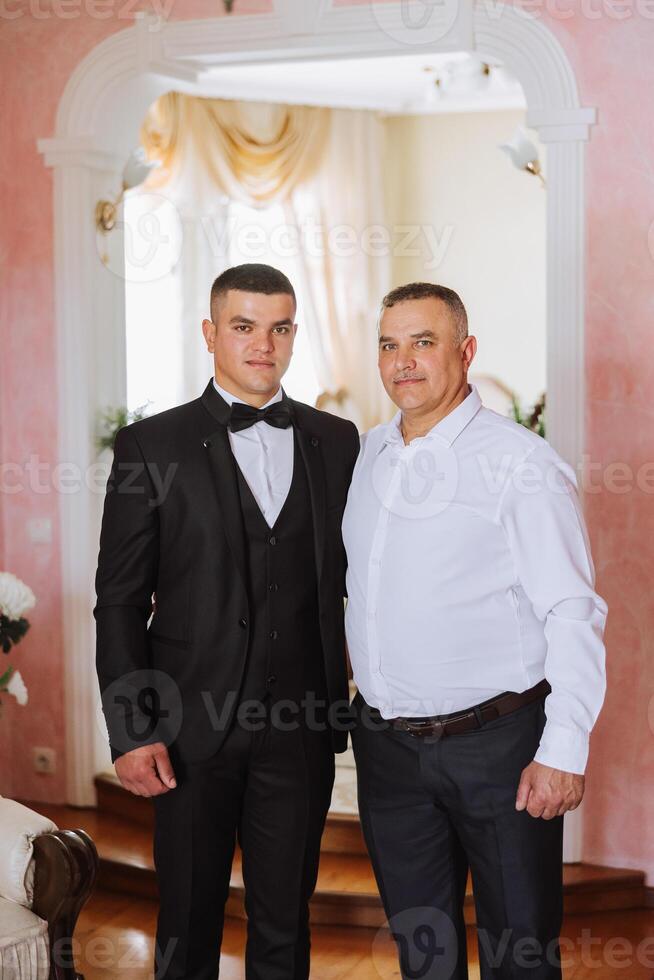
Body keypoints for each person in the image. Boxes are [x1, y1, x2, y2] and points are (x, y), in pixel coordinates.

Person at [94, 263, 359, 980]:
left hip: (299, 728)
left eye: (278, 328)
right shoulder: (152, 446)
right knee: (186, 922)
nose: (261, 345)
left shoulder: (338, 442)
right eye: (243, 327)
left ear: (294, 335)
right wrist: (132, 728)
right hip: (187, 730)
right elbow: (118, 599)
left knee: (284, 924)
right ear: (211, 334)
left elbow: (357, 576)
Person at [342, 282, 607, 980]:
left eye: (423, 343)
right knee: (422, 956)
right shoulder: (365, 457)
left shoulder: (522, 465)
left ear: (465, 351)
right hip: (389, 755)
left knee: (519, 953)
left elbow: (573, 610)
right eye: (389, 344)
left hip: (500, 750)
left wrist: (565, 749)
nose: (404, 361)